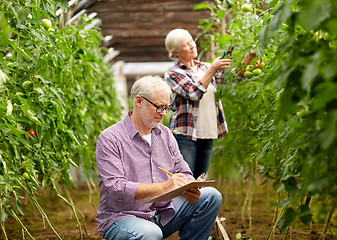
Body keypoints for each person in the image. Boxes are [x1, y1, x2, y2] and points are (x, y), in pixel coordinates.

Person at [95, 75, 222, 240]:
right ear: (139, 101)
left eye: (166, 108)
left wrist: (190, 187)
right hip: (122, 217)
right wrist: (164, 187)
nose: (163, 114)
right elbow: (116, 188)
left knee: (212, 196)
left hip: (162, 213)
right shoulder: (110, 138)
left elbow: (182, 169)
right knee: (150, 234)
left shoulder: (165, 135)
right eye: (159, 107)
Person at [164, 29, 235, 179]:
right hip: (186, 133)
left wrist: (249, 58)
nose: (192, 45)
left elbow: (233, 77)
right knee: (185, 179)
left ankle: (198, 203)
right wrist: (213, 68)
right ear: (175, 52)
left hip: (208, 131)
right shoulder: (173, 72)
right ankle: (179, 204)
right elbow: (193, 93)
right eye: (186, 44)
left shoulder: (204, 67)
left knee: (200, 180)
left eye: (191, 41)